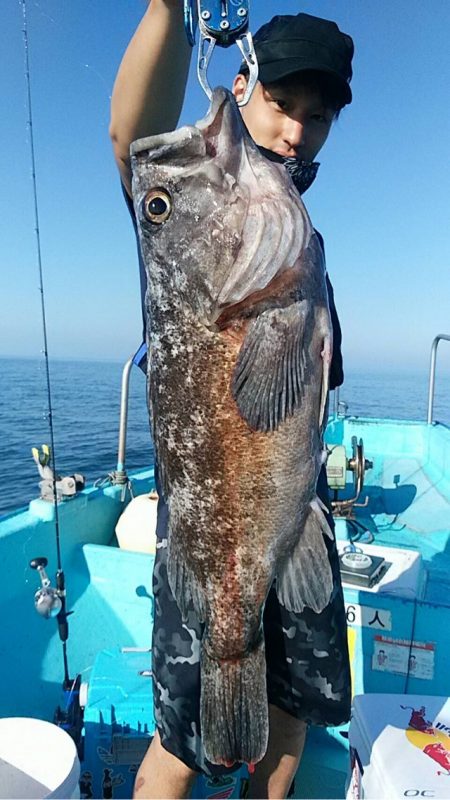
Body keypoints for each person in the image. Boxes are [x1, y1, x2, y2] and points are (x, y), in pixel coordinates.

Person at [110, 3, 353, 798]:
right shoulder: (205, 193)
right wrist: (168, 8)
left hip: (294, 502)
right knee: (181, 745)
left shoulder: (279, 220)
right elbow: (133, 142)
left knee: (292, 715)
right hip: (214, 521)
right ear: (241, 82)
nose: (297, 130)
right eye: (283, 104)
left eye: (317, 117)